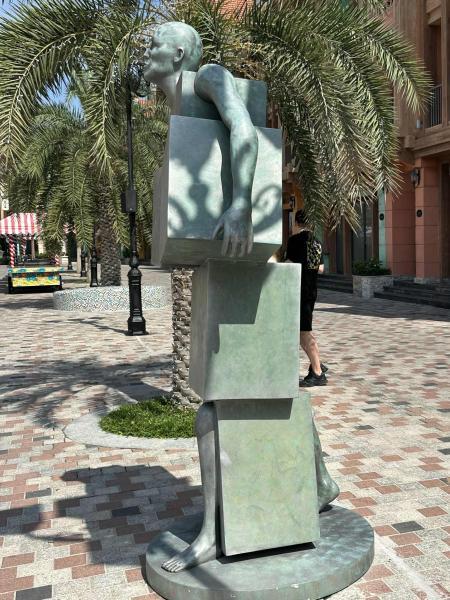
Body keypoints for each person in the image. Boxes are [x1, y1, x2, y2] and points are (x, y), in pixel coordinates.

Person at [143, 23, 339, 574]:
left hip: (250, 262)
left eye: (154, 43)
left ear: (179, 53)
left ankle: (212, 532)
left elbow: (245, 130)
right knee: (269, 392)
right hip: (230, 269)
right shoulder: (179, 106)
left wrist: (239, 204)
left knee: (219, 407)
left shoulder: (208, 75)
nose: (145, 50)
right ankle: (321, 480)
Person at [287, 209, 327, 387]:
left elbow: (288, 265)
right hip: (312, 291)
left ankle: (318, 373)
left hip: (299, 291)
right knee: (302, 330)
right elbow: (321, 269)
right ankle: (317, 362)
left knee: (304, 332)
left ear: (296, 223)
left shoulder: (294, 241)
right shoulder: (317, 242)